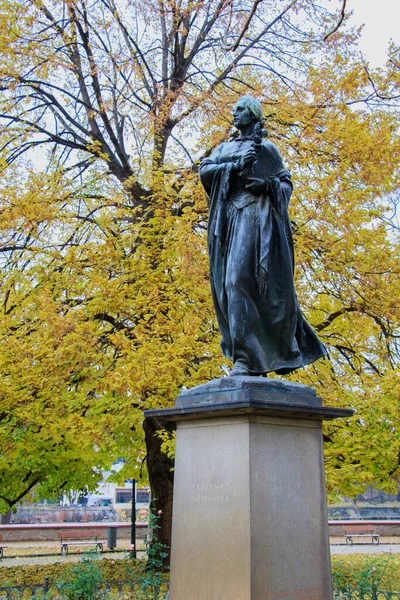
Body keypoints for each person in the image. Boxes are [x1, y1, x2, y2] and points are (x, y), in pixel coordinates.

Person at [199, 95, 327, 376]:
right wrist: (233, 166)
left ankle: (245, 358)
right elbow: (205, 170)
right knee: (226, 284)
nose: (235, 112)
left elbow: (284, 182)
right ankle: (251, 356)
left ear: (253, 114)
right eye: (234, 108)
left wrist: (266, 185)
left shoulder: (266, 148)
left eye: (241, 108)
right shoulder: (225, 148)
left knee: (237, 280)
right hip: (228, 218)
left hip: (256, 217)